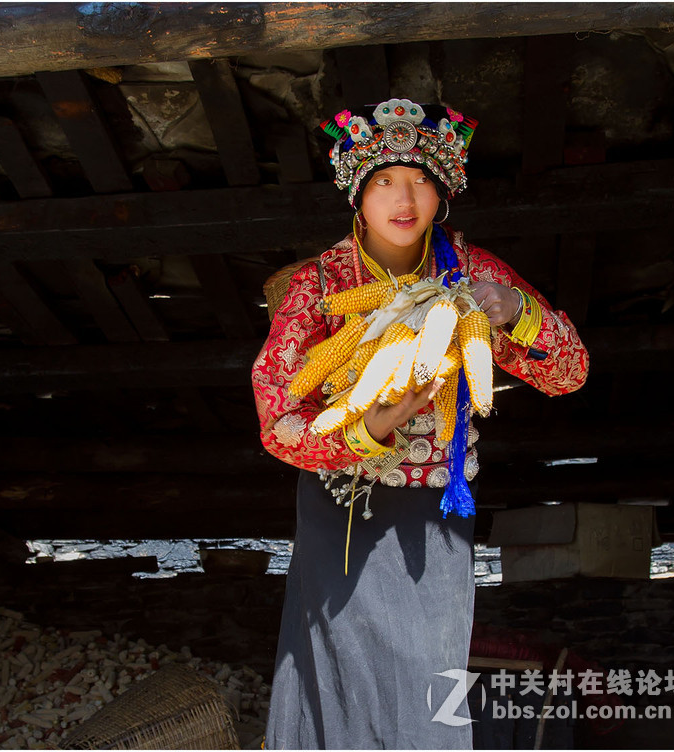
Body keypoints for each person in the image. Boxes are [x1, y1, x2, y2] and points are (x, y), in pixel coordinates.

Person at [251, 98, 589, 749]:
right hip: (341, 509)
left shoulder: (473, 277)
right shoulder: (319, 285)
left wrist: (517, 310)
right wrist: (367, 425)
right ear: (358, 194)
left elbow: (567, 371)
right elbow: (277, 419)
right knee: (334, 678)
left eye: (420, 181)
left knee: (425, 676)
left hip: (436, 512)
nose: (404, 199)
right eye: (384, 181)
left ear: (442, 192)